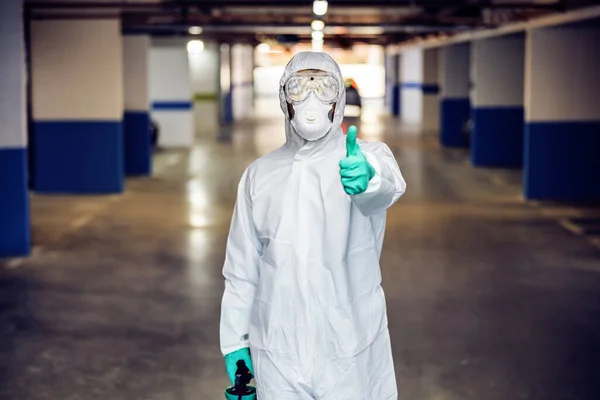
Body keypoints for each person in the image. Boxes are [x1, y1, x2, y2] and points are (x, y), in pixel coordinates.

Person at [220, 51, 406, 399]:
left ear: (338, 99)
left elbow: (387, 187)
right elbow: (241, 269)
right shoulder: (259, 175)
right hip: (277, 352)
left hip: (350, 348)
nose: (311, 99)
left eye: (324, 87)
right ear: (283, 98)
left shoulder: (367, 157)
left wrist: (367, 180)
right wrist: (235, 342)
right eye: (299, 87)